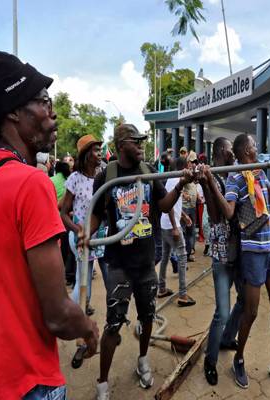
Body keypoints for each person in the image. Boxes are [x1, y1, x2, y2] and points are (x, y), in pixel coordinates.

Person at [0, 51, 98, 400]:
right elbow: (59, 316)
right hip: (28, 381)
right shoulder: (31, 184)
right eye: (44, 101)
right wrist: (88, 329)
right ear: (14, 111)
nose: (53, 112)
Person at [85, 124, 195, 399]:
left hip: (146, 263)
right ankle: (102, 382)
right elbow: (97, 212)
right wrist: (86, 233)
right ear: (122, 145)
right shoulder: (106, 176)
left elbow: (165, 205)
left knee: (147, 317)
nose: (141, 146)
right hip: (118, 264)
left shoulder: (147, 172)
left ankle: (143, 358)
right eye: (136, 142)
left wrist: (181, 184)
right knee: (113, 323)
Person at [206, 133, 270, 389]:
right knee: (252, 311)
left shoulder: (259, 172)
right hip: (252, 252)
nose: (257, 148)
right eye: (255, 145)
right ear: (246, 150)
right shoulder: (236, 177)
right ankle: (238, 358)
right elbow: (227, 212)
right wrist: (210, 182)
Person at [198, 137, 244, 386]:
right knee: (222, 312)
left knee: (246, 300)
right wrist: (208, 184)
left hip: (240, 254)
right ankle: (210, 361)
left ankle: (227, 338)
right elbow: (217, 217)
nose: (232, 155)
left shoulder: (234, 176)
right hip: (222, 257)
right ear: (219, 152)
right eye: (229, 151)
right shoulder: (212, 179)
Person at [60, 134, 107, 318]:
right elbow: (63, 213)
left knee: (108, 281)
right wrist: (77, 229)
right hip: (81, 238)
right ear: (87, 154)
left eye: (100, 149)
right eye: (96, 150)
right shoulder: (75, 179)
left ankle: (80, 315)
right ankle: (66, 316)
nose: (100, 153)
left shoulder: (102, 177)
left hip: (102, 236)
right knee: (83, 288)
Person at [158, 156, 196, 306]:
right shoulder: (176, 181)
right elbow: (170, 207)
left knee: (165, 256)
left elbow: (174, 203)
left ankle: (161, 288)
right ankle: (183, 294)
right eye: (188, 165)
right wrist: (175, 226)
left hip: (165, 224)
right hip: (170, 226)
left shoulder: (173, 179)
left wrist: (184, 216)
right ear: (184, 166)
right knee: (182, 258)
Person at [182, 150, 198, 262]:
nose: (193, 164)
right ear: (188, 162)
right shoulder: (184, 172)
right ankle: (183, 255)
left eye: (195, 162)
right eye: (192, 161)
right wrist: (184, 194)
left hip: (192, 207)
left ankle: (188, 253)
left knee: (191, 231)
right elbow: (178, 186)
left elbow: (194, 187)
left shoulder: (194, 173)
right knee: (184, 231)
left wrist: (198, 196)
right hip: (185, 208)